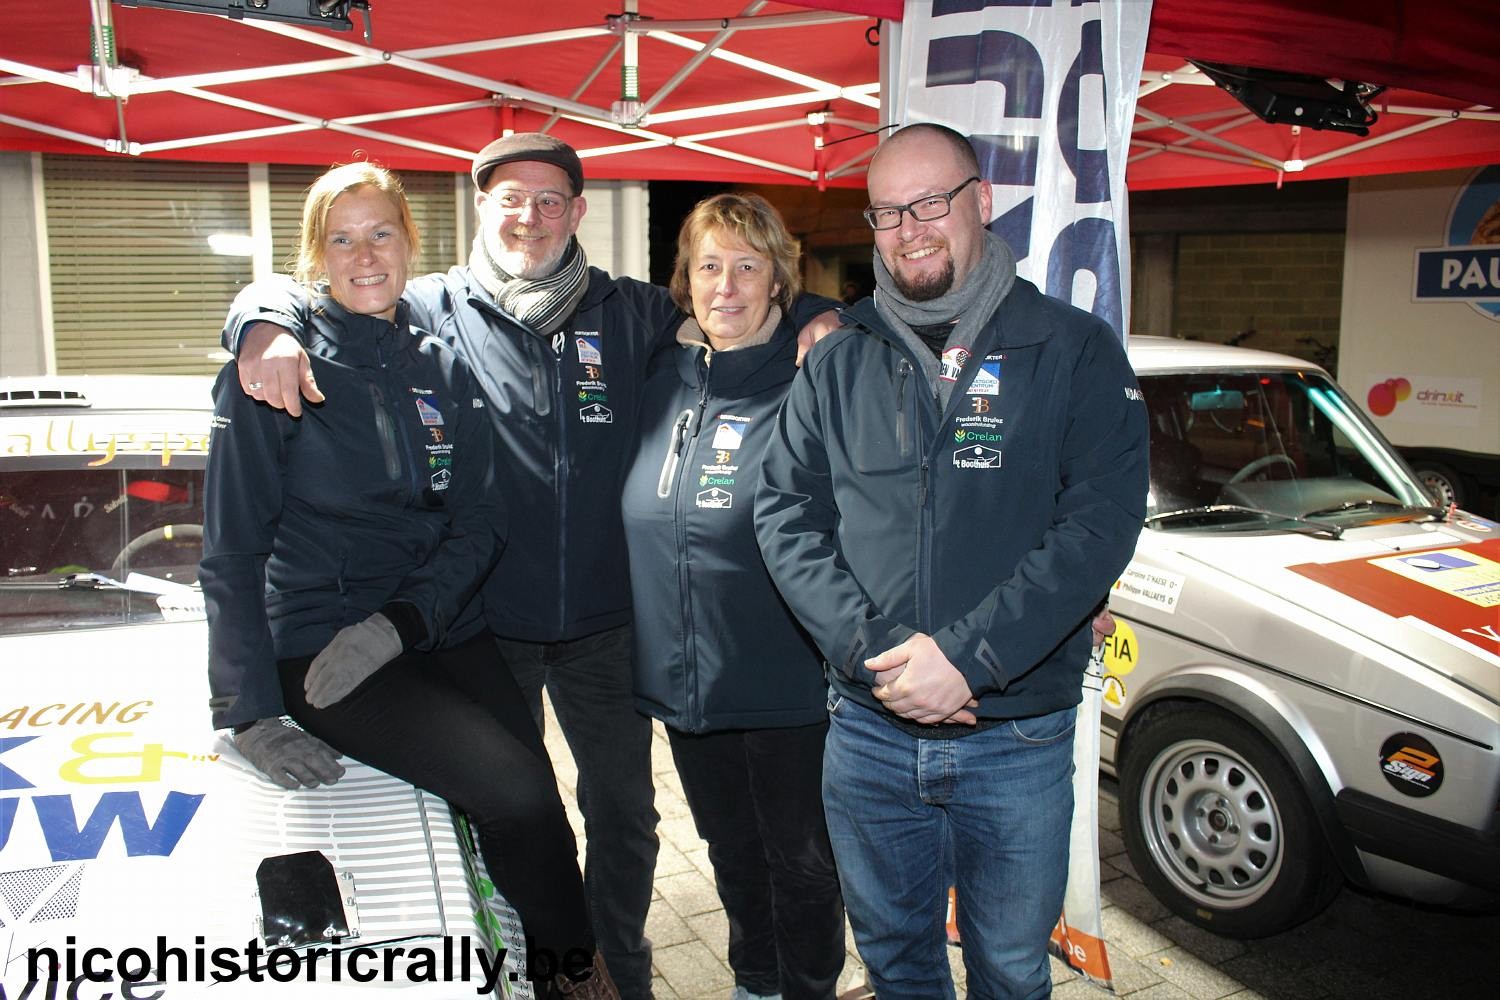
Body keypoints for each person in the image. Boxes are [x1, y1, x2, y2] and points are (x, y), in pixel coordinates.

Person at [219, 133, 840, 999]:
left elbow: (739, 293)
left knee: (623, 817)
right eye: (512, 198)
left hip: (609, 627)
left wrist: (821, 308)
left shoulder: (633, 313)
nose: (531, 216)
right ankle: (542, 972)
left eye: (552, 200)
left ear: (578, 213)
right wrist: (260, 320)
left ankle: (618, 971)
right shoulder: (430, 309)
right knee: (517, 811)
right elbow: (312, 286)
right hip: (481, 621)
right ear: (482, 208)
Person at [201, 162, 618, 999]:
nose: (364, 254)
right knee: (518, 796)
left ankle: (557, 971)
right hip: (321, 646)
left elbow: (481, 520)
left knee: (537, 810)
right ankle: (581, 980)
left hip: (434, 628)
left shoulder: (437, 362)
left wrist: (401, 623)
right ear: (316, 253)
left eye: (380, 232)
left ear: (409, 243)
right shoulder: (273, 369)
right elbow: (231, 553)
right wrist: (246, 712)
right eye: (342, 238)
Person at [754, 123, 1149, 999]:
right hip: (867, 728)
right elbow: (785, 514)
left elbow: (1099, 524)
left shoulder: (1074, 349)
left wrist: (967, 659)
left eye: (931, 202)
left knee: (1009, 969)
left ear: (981, 201)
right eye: (888, 211)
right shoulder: (838, 356)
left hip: (1016, 733)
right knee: (897, 964)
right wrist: (876, 654)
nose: (910, 227)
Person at [621, 193, 844, 1000]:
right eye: (710, 265)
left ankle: (809, 986)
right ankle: (755, 981)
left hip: (787, 681)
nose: (727, 285)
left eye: (749, 267)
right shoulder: (664, 372)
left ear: (780, 282)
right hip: (689, 682)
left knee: (804, 860)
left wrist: (832, 314)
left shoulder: (814, 374)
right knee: (729, 849)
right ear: (685, 280)